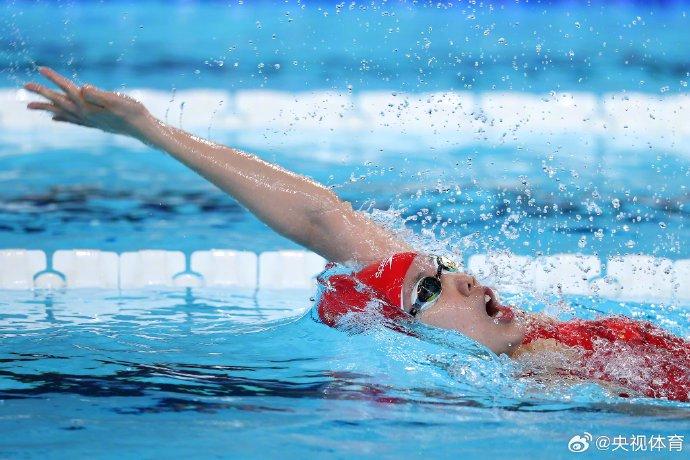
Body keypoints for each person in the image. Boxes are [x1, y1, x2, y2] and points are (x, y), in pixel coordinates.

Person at [24, 68, 690, 402]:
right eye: (430, 290)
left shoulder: (520, 336)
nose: (457, 277)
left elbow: (323, 218)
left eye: (442, 267)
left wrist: (152, 130)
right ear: (412, 336)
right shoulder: (538, 376)